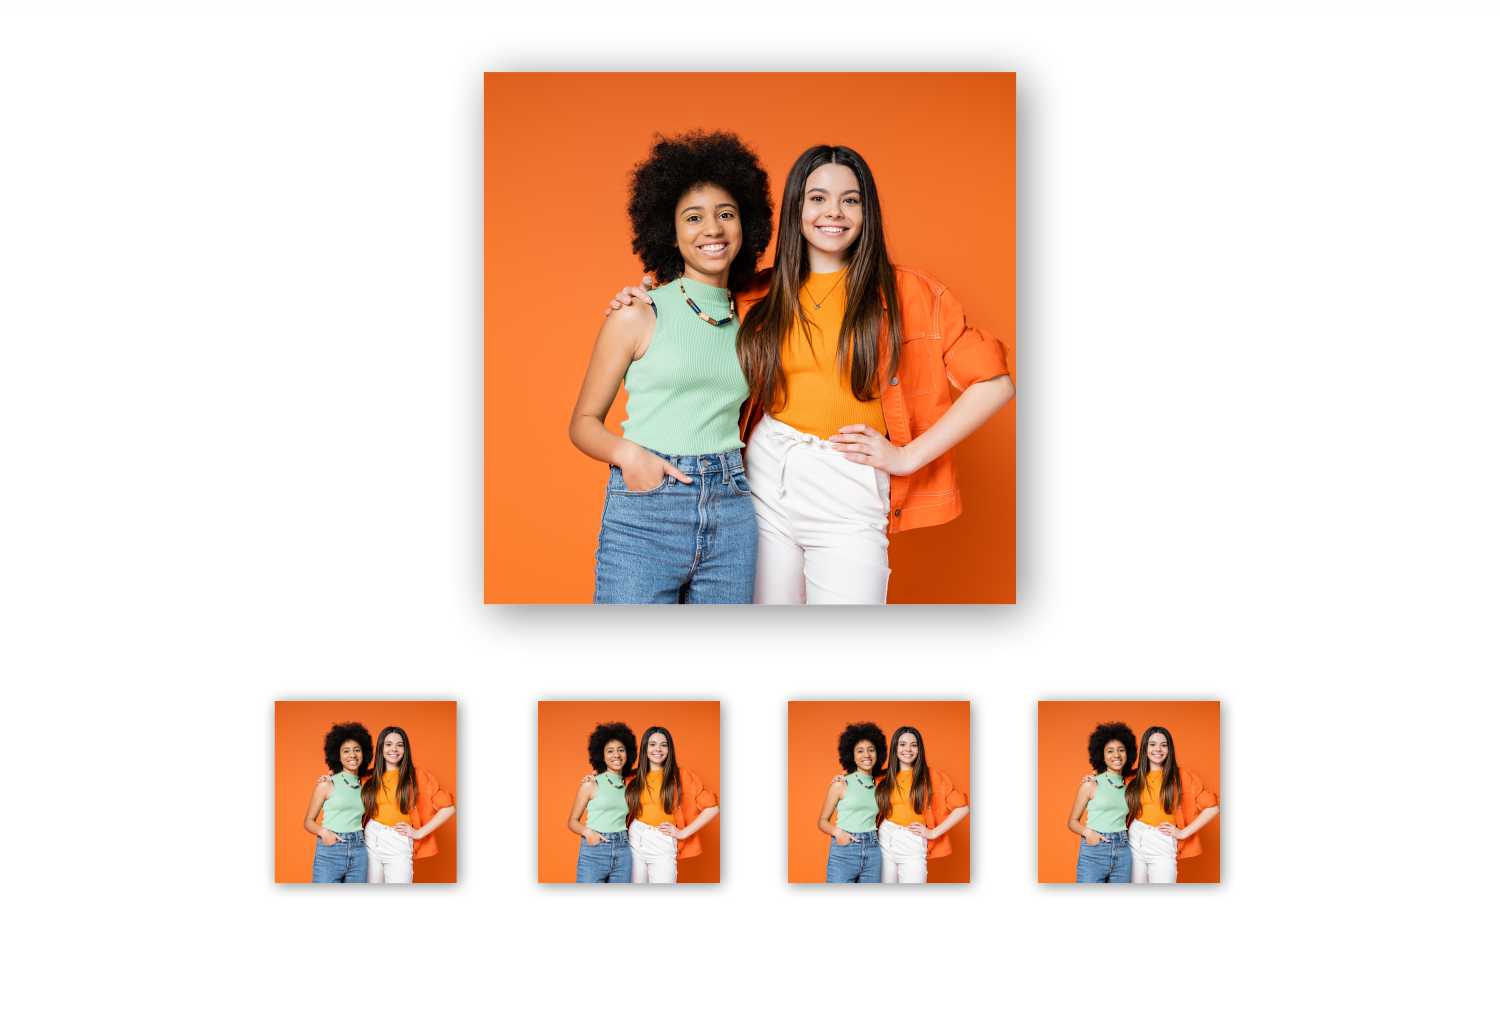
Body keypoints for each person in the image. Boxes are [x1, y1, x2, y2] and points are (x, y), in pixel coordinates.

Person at [608, 143, 1015, 603]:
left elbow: (995, 383)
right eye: (818, 198)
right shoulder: (758, 293)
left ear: (867, 211)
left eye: (850, 199)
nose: (833, 212)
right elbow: (691, 306)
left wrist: (907, 458)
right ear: (796, 209)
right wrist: (644, 296)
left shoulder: (911, 292)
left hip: (849, 482)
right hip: (765, 476)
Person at [569, 131, 774, 604]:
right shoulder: (638, 312)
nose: (713, 229)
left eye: (726, 214)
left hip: (732, 510)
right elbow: (582, 423)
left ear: (746, 224)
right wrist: (631, 458)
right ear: (670, 230)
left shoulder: (754, 317)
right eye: (693, 217)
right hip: (648, 512)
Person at [359, 725, 456, 885]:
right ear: (381, 748)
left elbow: (449, 807)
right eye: (388, 744)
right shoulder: (368, 777)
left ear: (405, 749)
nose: (394, 749)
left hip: (398, 840)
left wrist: (419, 833)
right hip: (371, 838)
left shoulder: (417, 776)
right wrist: (330, 778)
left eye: (400, 745)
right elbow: (344, 788)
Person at [622, 726, 720, 883]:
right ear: (645, 748)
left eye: (664, 745)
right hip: (635, 838)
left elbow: (713, 807)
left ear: (669, 749)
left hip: (662, 840)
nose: (658, 749)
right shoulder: (633, 777)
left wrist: (683, 833)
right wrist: (594, 778)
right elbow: (608, 787)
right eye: (652, 744)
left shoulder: (681, 776)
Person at [872, 726, 970, 883]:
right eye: (902, 744)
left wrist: (933, 833)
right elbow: (858, 789)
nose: (908, 749)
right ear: (895, 748)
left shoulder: (931, 776)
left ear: (919, 749)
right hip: (885, 838)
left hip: (912, 841)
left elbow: (963, 807)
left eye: (914, 745)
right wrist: (842, 779)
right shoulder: (882, 777)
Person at [1125, 726, 1220, 884]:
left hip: (1162, 841)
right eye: (1152, 744)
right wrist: (1094, 779)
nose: (1158, 749)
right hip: (1134, 839)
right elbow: (1109, 784)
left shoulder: (1181, 776)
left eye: (1164, 745)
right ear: (1145, 748)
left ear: (1169, 749)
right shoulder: (1133, 777)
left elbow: (1213, 807)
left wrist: (1183, 833)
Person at [302, 721, 372, 884]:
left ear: (364, 753)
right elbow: (308, 821)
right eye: (346, 751)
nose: (352, 755)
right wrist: (324, 833)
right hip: (330, 851)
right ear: (337, 756)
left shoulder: (366, 784)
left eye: (357, 750)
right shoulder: (327, 783)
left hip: (359, 850)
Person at [1067, 722, 1135, 884]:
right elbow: (1072, 822)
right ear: (1102, 756)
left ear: (1128, 753)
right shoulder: (1091, 784)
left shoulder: (1131, 785)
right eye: (1109, 751)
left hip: (1123, 851)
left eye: (1121, 750)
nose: (1116, 755)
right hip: (1094, 852)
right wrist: (1088, 833)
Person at [568, 722, 636, 883]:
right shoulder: (591, 783)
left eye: (621, 750)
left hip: (623, 850)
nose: (616, 755)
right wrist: (588, 833)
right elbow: (572, 821)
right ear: (601, 755)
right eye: (610, 751)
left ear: (628, 753)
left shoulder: (630, 783)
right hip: (595, 851)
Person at [816, 722, 885, 883]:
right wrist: (838, 833)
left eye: (871, 750)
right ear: (851, 756)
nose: (866, 755)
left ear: (878, 753)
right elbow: (822, 821)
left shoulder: (881, 784)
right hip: (845, 851)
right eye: (860, 751)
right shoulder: (841, 783)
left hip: (873, 851)